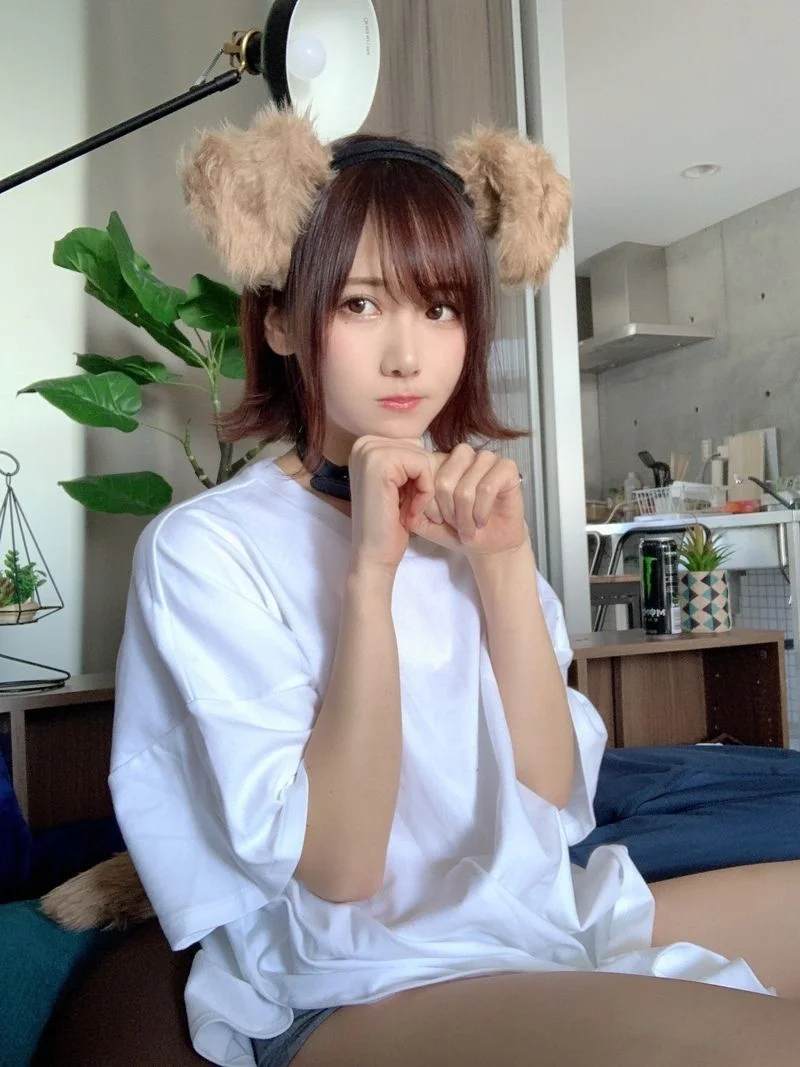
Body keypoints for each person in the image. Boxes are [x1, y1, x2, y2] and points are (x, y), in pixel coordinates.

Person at [109, 108, 800, 1067]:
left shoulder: (467, 515)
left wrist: (504, 563)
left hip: (541, 914)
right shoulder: (203, 549)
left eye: (439, 308)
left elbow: (554, 793)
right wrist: (370, 572)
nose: (408, 354)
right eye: (360, 304)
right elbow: (342, 866)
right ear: (278, 321)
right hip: (356, 977)